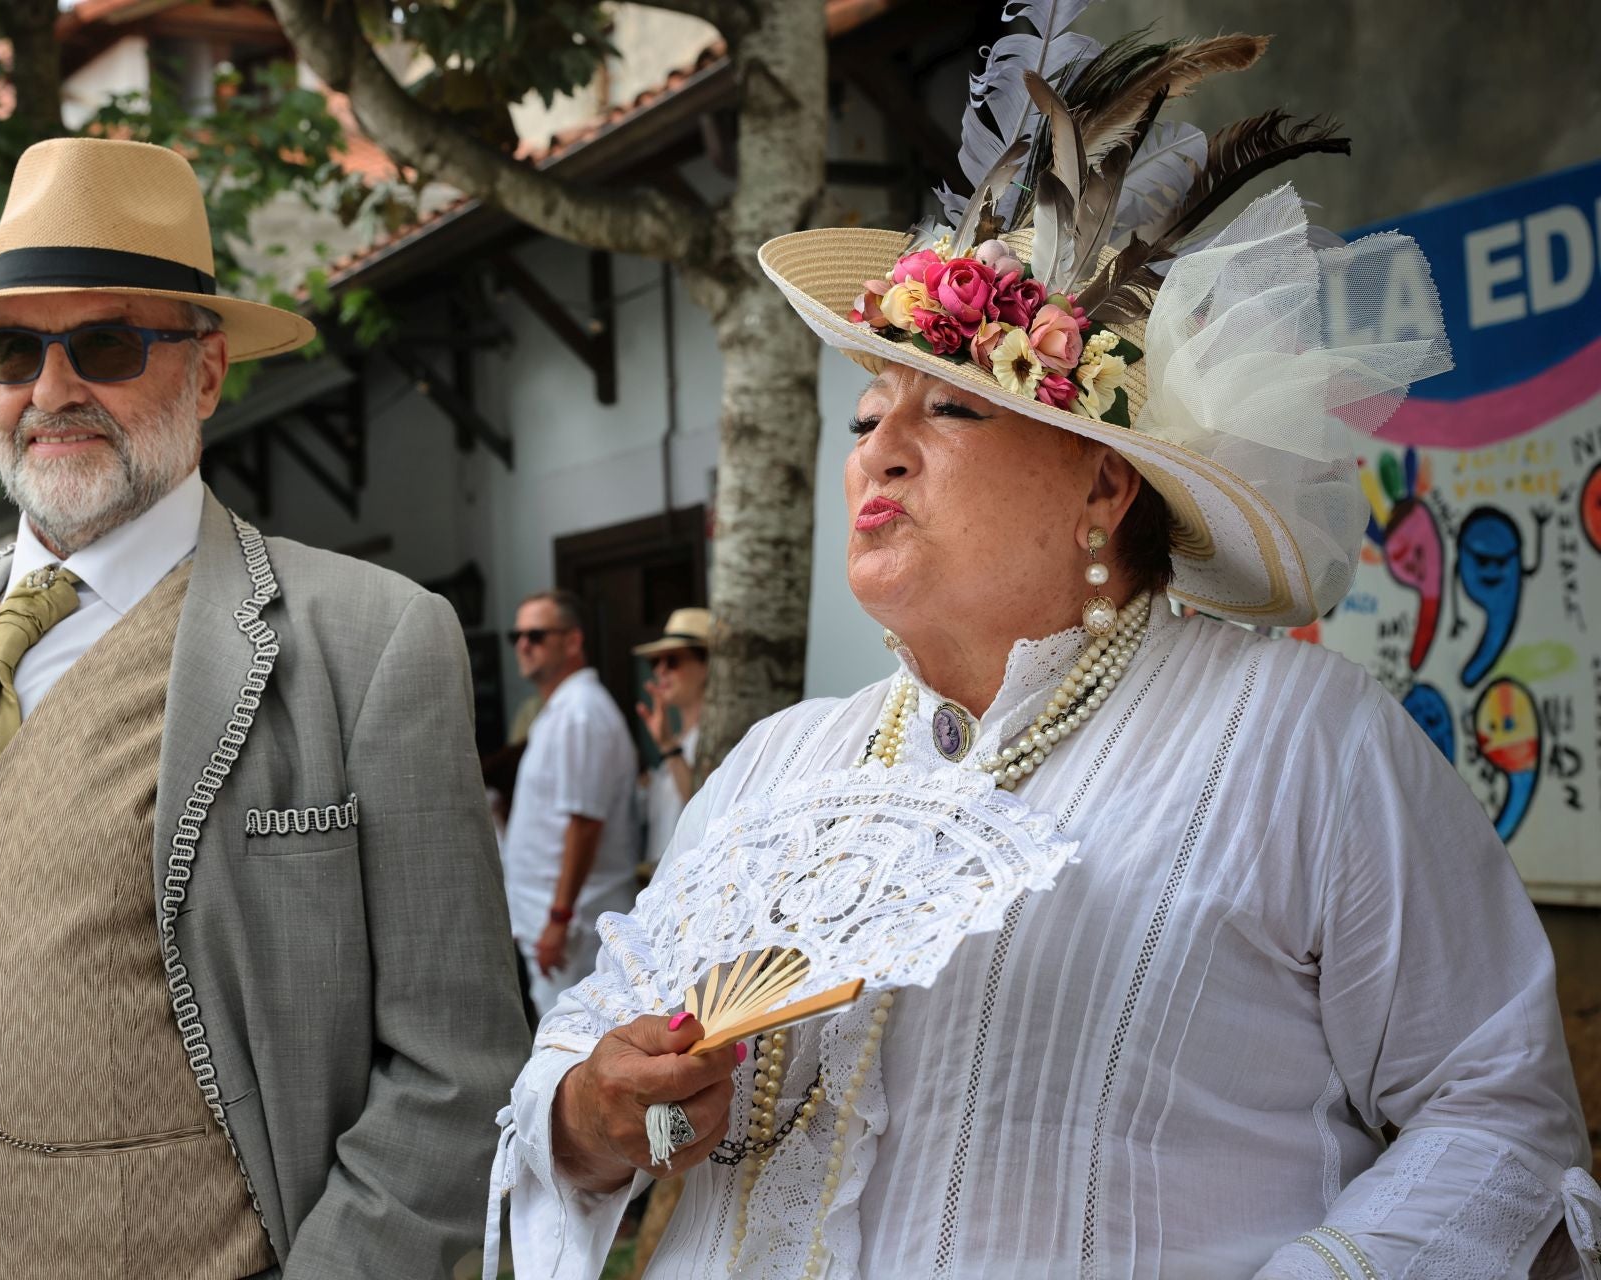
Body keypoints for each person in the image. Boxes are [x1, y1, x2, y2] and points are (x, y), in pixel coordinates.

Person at [489, 24, 1598, 1280]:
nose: (879, 449)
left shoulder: (1304, 741)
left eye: (949, 406)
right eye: (866, 413)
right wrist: (587, 1110)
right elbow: (587, 1031)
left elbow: (1497, 1113)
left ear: (1103, 486)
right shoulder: (774, 764)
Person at [0, 137, 528, 1280]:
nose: (49, 391)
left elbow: (457, 1070)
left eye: (103, 342)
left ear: (207, 370)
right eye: (11, 350)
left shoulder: (371, 640)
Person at [502, 590, 640, 1017]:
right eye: (518, 635)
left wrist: (559, 920)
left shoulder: (580, 713)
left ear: (573, 641)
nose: (524, 644)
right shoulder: (561, 710)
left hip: (574, 928)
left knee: (573, 1042)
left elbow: (585, 823)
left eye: (537, 634)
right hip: (553, 923)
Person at [632, 608, 710, 867]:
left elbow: (706, 809)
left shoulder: (716, 738)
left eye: (673, 661)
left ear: (707, 666)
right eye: (656, 662)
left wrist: (667, 747)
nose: (661, 671)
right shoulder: (678, 740)